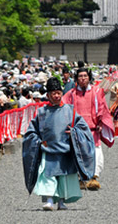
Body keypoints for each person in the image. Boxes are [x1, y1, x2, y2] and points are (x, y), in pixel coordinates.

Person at [22, 77, 96, 211]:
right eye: (53, 93)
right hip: (48, 150)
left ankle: (61, 202)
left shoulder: (70, 110)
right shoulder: (42, 112)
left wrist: (74, 132)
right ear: (48, 95)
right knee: (47, 176)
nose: (56, 96)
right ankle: (49, 200)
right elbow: (31, 132)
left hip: (65, 150)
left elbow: (83, 129)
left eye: (59, 93)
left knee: (64, 178)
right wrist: (37, 141)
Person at [62, 68, 114, 190]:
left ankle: (93, 178)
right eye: (80, 76)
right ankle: (81, 178)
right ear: (76, 78)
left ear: (89, 77)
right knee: (79, 153)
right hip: (77, 130)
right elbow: (64, 109)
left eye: (85, 76)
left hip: (93, 129)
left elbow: (103, 109)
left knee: (96, 154)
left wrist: (101, 123)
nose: (83, 78)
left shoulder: (96, 92)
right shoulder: (71, 94)